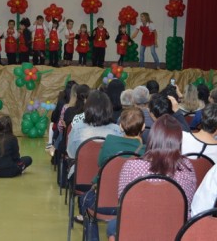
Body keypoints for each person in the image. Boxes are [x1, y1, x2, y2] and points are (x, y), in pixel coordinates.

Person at [107, 115, 196, 240]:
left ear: (151, 137)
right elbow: (188, 203)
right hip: (174, 231)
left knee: (111, 226)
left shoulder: (131, 166)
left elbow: (122, 202)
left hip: (136, 229)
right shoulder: (188, 167)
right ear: (178, 140)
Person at [77, 107, 146, 238]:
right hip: (132, 206)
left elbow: (100, 162)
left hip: (101, 204)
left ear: (120, 126)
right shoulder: (146, 151)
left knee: (84, 201)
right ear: (143, 127)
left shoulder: (109, 141)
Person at [67, 90, 122, 177]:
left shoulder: (77, 128)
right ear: (109, 108)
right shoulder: (117, 130)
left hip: (80, 177)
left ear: (87, 107)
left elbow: (71, 153)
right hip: (106, 178)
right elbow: (119, 156)